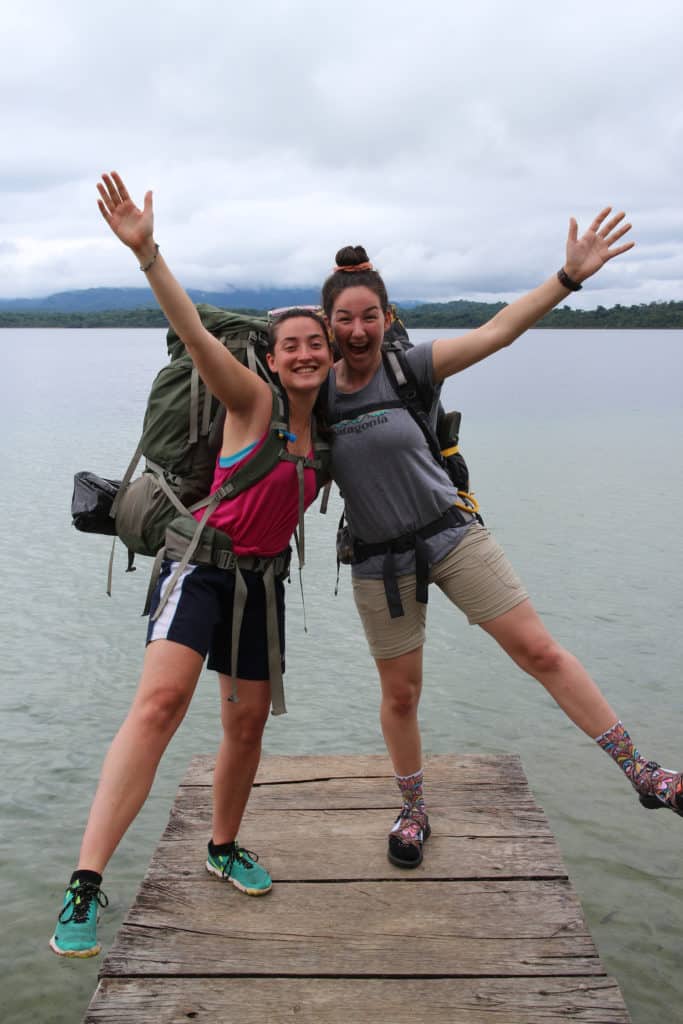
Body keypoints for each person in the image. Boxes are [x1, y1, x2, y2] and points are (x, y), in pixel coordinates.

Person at [321, 209, 683, 868]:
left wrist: (567, 276)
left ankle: (643, 775)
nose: (357, 329)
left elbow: (499, 330)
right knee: (401, 695)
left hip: (451, 534)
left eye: (368, 315)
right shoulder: (312, 396)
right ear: (327, 325)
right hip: (378, 559)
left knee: (539, 652)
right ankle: (412, 809)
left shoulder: (411, 370)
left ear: (385, 315)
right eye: (344, 318)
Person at [49, 172, 333, 957]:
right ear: (272, 360)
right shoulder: (253, 404)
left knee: (244, 725)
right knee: (158, 708)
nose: (306, 352)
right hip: (198, 570)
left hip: (262, 584)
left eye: (317, 342)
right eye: (292, 345)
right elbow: (200, 340)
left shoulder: (328, 437)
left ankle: (221, 845)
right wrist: (148, 254)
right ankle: (85, 884)